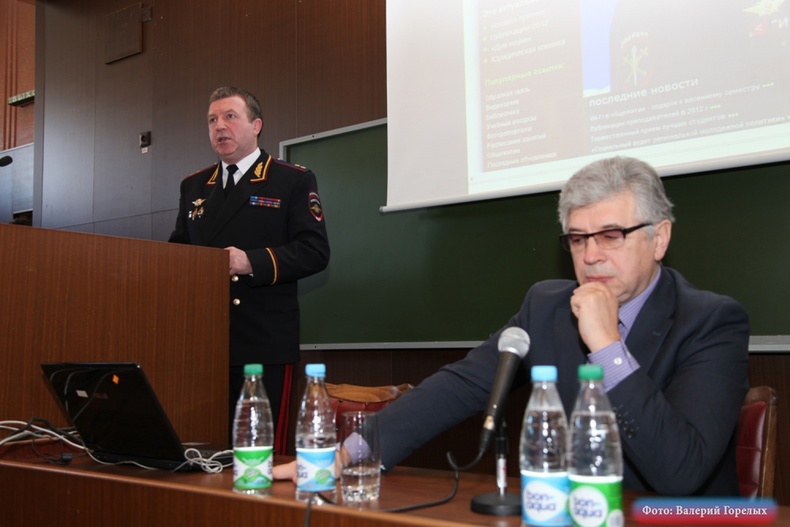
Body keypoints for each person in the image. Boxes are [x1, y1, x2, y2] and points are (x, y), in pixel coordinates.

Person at [274, 156, 749, 496]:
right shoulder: (547, 306)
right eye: (577, 239)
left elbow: (681, 472)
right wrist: (345, 454)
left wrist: (607, 346)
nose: (591, 256)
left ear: (659, 238)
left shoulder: (711, 321)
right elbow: (458, 387)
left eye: (611, 236)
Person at [169, 86, 330, 450]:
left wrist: (250, 261)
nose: (219, 127)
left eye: (230, 117)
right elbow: (178, 254)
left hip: (264, 341)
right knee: (207, 452)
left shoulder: (291, 179)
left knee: (261, 451)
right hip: (205, 342)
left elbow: (315, 251)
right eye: (212, 120)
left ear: (256, 126)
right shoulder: (194, 186)